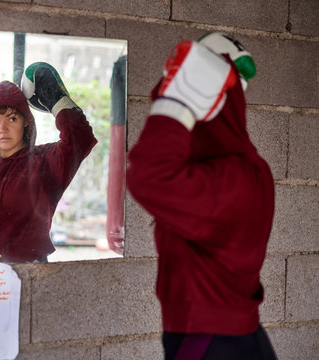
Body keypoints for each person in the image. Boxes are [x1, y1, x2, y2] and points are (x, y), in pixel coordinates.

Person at [126, 33, 278, 359]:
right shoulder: (243, 169)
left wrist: (178, 102)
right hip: (230, 338)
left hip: (212, 343)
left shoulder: (234, 179)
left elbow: (149, 175)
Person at [0, 62, 97, 263]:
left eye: (11, 119)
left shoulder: (46, 161)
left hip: (32, 272)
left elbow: (80, 138)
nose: (2, 128)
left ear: (25, 121)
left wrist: (57, 100)